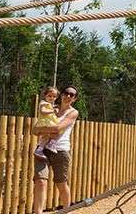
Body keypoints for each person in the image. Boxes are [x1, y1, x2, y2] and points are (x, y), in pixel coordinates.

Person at [32, 85, 79, 214]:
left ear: (74, 99)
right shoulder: (50, 108)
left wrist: (44, 130)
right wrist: (46, 130)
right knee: (41, 182)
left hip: (61, 151)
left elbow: (58, 129)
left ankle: (66, 210)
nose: (68, 96)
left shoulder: (73, 112)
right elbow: (34, 130)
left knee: (61, 184)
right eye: (66, 93)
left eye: (72, 95)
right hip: (42, 150)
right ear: (61, 95)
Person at [33, 86, 60, 160]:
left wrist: (53, 107)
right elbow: (43, 111)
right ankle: (51, 145)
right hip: (46, 123)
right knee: (57, 131)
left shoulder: (49, 104)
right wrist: (53, 111)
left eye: (54, 96)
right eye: (50, 96)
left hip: (47, 122)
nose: (52, 98)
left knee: (46, 137)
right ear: (45, 95)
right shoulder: (43, 103)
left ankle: (40, 149)